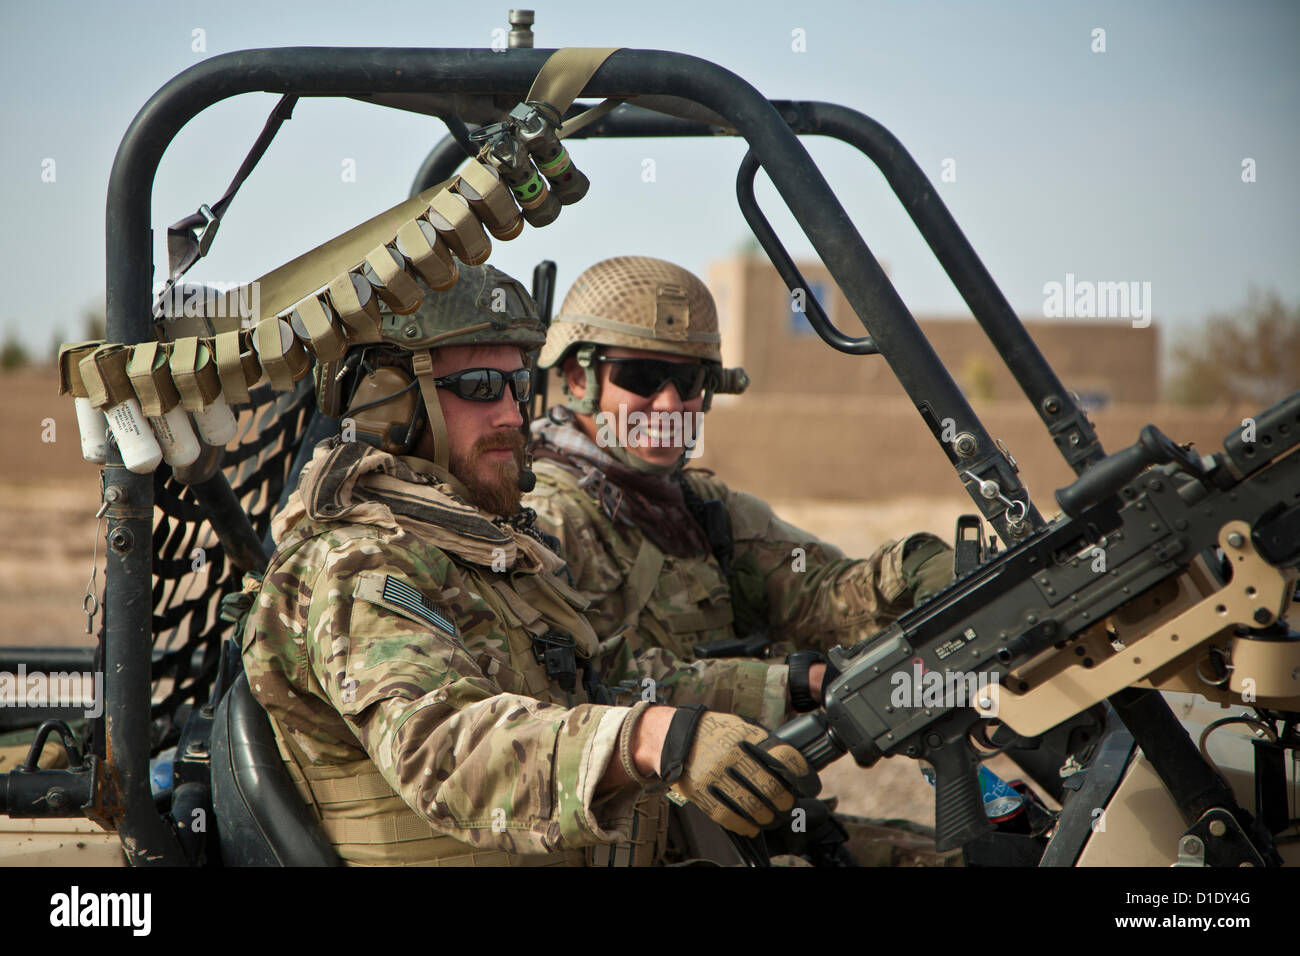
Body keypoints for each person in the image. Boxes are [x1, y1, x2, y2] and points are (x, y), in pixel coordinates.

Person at [238, 262, 817, 866]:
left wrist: (791, 688)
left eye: (519, 388)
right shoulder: (361, 567)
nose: (513, 416)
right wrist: (647, 739)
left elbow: (602, 676)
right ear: (389, 397)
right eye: (484, 387)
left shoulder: (483, 550)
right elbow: (446, 751)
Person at [524, 257, 958, 866]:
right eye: (643, 375)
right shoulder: (538, 519)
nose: (670, 401)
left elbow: (821, 594)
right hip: (621, 840)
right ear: (577, 378)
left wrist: (915, 573)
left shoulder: (703, 508)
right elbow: (589, 682)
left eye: (692, 380)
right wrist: (793, 686)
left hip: (736, 824)